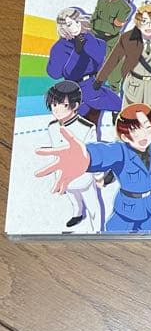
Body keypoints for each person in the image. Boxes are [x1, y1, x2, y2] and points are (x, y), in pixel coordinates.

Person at [35, 103, 151, 234]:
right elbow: (105, 153)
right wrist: (87, 156)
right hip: (127, 209)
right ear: (125, 137)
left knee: (143, 243)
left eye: (147, 127)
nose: (144, 135)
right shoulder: (121, 150)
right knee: (112, 237)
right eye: (135, 131)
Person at [94, 2, 151, 149]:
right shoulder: (127, 38)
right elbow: (114, 58)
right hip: (133, 85)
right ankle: (119, 158)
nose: (149, 25)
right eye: (144, 21)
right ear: (138, 22)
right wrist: (100, 79)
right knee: (124, 126)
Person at [46, 7, 121, 129]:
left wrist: (88, 44)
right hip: (74, 90)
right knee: (79, 126)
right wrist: (77, 52)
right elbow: (57, 73)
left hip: (93, 85)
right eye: (69, 24)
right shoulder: (59, 48)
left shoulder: (88, 38)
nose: (76, 26)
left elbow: (100, 58)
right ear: (63, 28)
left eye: (77, 22)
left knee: (118, 105)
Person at [42, 80, 101, 233]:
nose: (57, 109)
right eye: (54, 104)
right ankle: (78, 213)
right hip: (63, 175)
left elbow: (94, 154)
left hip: (83, 175)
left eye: (64, 105)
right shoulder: (52, 127)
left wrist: (98, 176)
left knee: (92, 203)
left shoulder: (87, 128)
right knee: (73, 196)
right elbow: (57, 152)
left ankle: (96, 230)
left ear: (75, 105)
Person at [90, 0, 133, 89]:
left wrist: (100, 24)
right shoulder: (101, 2)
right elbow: (92, 21)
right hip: (95, 38)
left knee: (114, 69)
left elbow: (114, 29)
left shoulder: (125, 8)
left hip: (112, 41)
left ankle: (114, 92)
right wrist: (107, 24)